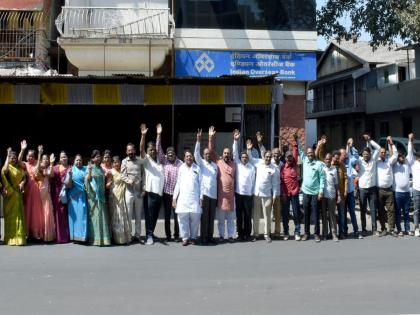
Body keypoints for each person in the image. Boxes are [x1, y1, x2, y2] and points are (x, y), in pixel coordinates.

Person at [247, 139, 280, 243]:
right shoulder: (259, 162)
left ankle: (267, 234)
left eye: (270, 157)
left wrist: (274, 196)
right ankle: (256, 234)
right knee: (256, 215)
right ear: (264, 156)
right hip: (257, 194)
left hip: (267, 195)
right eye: (267, 156)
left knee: (268, 216)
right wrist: (248, 150)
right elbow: (251, 159)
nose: (268, 158)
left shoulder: (274, 168)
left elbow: (275, 184)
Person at [208, 126, 236, 243]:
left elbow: (236, 152)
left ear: (230, 155)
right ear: (222, 154)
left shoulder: (234, 164)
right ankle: (221, 235)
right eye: (224, 153)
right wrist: (210, 137)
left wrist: (235, 140)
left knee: (230, 219)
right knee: (220, 219)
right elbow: (210, 151)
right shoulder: (218, 161)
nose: (226, 155)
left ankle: (230, 236)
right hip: (221, 197)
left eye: (228, 153)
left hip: (231, 197)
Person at [156, 123, 183, 242]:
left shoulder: (180, 163)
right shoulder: (164, 160)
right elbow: (158, 149)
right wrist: (159, 135)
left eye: (172, 153)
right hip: (167, 194)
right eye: (168, 154)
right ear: (166, 155)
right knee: (167, 216)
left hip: (177, 194)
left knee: (177, 215)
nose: (170, 155)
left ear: (175, 154)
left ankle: (177, 235)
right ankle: (168, 235)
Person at [140, 124, 165, 245]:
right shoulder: (147, 160)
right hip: (150, 192)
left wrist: (159, 135)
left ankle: (152, 232)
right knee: (149, 215)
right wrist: (143, 135)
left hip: (159, 193)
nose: (153, 151)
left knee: (155, 215)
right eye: (150, 149)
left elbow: (159, 147)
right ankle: (148, 235)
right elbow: (141, 149)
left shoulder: (160, 160)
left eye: (154, 149)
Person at [351, 134, 380, 236]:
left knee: (373, 209)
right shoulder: (359, 160)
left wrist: (370, 140)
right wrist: (351, 146)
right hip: (362, 189)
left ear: (370, 154)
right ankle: (363, 229)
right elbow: (351, 160)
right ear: (362, 154)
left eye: (367, 154)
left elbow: (379, 148)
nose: (366, 155)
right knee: (363, 209)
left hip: (372, 189)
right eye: (364, 154)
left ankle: (374, 229)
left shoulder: (374, 160)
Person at [172, 150, 202, 246]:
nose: (189, 158)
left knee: (195, 220)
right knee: (182, 220)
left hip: (195, 198)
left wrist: (201, 198)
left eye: (190, 156)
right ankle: (185, 238)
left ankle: (193, 237)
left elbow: (201, 184)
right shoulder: (181, 168)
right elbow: (178, 184)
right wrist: (174, 198)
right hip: (183, 199)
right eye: (187, 156)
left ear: (192, 157)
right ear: (184, 158)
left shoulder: (197, 168)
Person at [298, 136, 325, 242]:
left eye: (311, 153)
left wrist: (321, 191)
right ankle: (306, 233)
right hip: (305, 191)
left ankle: (316, 234)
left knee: (315, 214)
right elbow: (300, 150)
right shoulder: (304, 160)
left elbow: (322, 179)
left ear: (314, 153)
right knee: (306, 214)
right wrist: (297, 140)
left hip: (315, 193)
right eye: (308, 153)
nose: (309, 154)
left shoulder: (318, 164)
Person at [194, 128, 218, 245]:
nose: (208, 155)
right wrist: (198, 140)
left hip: (213, 195)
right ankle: (203, 237)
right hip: (204, 195)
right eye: (206, 154)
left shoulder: (215, 165)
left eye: (209, 154)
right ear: (203, 155)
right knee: (204, 218)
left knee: (211, 217)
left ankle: (210, 237)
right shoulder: (201, 163)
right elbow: (195, 154)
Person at [258, 132, 283, 239]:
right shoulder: (270, 162)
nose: (276, 155)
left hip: (278, 192)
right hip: (269, 192)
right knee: (268, 214)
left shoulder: (282, 164)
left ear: (280, 154)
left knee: (277, 214)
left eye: (278, 153)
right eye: (274, 153)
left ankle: (277, 232)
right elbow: (263, 152)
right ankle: (265, 232)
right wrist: (260, 143)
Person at [232, 129, 255, 242]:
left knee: (247, 215)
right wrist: (235, 141)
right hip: (238, 194)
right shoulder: (237, 164)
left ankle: (247, 234)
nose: (244, 159)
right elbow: (235, 152)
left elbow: (253, 181)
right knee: (239, 216)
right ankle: (240, 234)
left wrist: (253, 193)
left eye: (246, 157)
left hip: (248, 195)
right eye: (243, 157)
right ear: (240, 158)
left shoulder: (251, 167)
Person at [85, 150, 111, 246]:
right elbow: (87, 181)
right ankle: (95, 239)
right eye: (96, 156)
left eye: (99, 156)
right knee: (95, 218)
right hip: (93, 198)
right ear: (92, 159)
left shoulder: (101, 169)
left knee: (102, 218)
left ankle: (104, 239)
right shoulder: (89, 168)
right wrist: (90, 171)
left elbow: (103, 182)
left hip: (101, 197)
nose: (98, 158)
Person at [1, 148, 26, 245]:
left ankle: (19, 239)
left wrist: (22, 183)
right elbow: (4, 170)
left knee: (19, 217)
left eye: (15, 158)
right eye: (11, 158)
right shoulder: (7, 168)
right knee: (10, 217)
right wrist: (7, 155)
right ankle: (10, 239)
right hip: (10, 195)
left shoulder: (19, 168)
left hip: (18, 195)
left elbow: (25, 177)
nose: (13, 159)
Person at [19, 140, 44, 239]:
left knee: (35, 211)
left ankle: (36, 233)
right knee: (27, 210)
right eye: (29, 156)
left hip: (35, 190)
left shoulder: (37, 164)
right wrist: (22, 149)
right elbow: (19, 160)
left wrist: (40, 153)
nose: (30, 157)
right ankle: (27, 233)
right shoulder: (25, 164)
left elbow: (38, 169)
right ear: (27, 157)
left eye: (32, 156)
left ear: (35, 157)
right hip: (27, 190)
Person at [121, 143, 144, 242]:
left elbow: (144, 176)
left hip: (138, 192)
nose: (130, 152)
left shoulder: (140, 161)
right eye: (128, 150)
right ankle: (129, 235)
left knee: (138, 215)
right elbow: (122, 175)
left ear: (134, 150)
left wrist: (144, 190)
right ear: (126, 152)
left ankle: (138, 235)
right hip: (129, 192)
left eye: (132, 150)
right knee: (129, 215)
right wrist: (128, 180)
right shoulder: (124, 161)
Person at [107, 156, 131, 245]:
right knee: (115, 216)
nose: (116, 164)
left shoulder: (122, 171)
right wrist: (109, 183)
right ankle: (115, 238)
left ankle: (122, 238)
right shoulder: (111, 172)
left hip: (122, 195)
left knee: (121, 216)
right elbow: (107, 185)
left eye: (118, 162)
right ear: (112, 164)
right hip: (114, 196)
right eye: (114, 162)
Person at [340, 139, 362, 239]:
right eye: (343, 154)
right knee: (343, 213)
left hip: (350, 191)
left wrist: (352, 146)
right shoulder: (337, 163)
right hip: (341, 193)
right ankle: (344, 231)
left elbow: (357, 158)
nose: (345, 155)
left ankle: (356, 231)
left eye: (346, 154)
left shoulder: (349, 161)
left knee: (352, 212)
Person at [281, 134, 301, 241]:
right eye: (287, 157)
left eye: (290, 157)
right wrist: (283, 193)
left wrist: (295, 141)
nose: (289, 159)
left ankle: (297, 231)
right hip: (285, 194)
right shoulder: (282, 168)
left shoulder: (294, 165)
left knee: (296, 213)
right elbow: (281, 182)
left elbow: (295, 152)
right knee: (285, 214)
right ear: (285, 158)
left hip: (294, 194)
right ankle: (286, 232)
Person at [376, 136, 397, 236]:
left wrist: (391, 144)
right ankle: (383, 229)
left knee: (391, 210)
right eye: (381, 152)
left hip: (389, 190)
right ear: (379, 153)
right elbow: (373, 152)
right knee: (380, 211)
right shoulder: (376, 162)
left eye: (384, 152)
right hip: (379, 190)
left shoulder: (389, 161)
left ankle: (391, 229)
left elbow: (395, 155)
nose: (383, 153)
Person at [35, 147, 56, 242]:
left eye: (47, 159)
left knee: (47, 213)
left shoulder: (48, 167)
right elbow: (36, 171)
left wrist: (51, 163)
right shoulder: (39, 167)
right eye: (44, 159)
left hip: (47, 192)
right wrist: (39, 154)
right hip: (39, 191)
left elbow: (51, 174)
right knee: (40, 214)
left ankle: (47, 235)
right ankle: (39, 234)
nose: (46, 160)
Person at [50, 151, 71, 243]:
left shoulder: (71, 168)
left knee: (67, 214)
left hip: (68, 193)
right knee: (58, 214)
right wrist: (51, 163)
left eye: (65, 156)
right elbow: (50, 175)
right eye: (62, 157)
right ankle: (59, 236)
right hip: (57, 193)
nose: (64, 158)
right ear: (59, 159)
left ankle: (67, 236)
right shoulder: (56, 168)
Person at [68, 154, 88, 242]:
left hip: (82, 196)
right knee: (74, 217)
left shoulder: (86, 169)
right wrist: (69, 176)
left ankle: (83, 236)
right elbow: (68, 185)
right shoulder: (71, 170)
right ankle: (74, 236)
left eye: (80, 160)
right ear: (74, 161)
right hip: (73, 197)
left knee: (82, 216)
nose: (79, 162)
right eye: (77, 160)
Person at [393, 142, 412, 237]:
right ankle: (399, 229)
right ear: (397, 158)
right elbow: (393, 154)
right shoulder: (395, 165)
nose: (401, 158)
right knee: (398, 212)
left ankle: (407, 229)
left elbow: (410, 152)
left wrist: (410, 141)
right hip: (398, 193)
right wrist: (391, 144)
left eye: (402, 156)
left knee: (406, 212)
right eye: (399, 157)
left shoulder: (407, 165)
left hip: (407, 193)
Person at [320, 153, 340, 242]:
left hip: (332, 195)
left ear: (331, 160)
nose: (328, 161)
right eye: (326, 159)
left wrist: (338, 195)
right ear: (324, 160)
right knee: (324, 215)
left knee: (332, 215)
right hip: (323, 195)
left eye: (329, 159)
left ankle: (334, 234)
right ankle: (324, 234)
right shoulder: (321, 169)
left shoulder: (334, 170)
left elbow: (336, 184)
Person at [332, 150, 348, 239]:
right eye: (336, 158)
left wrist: (345, 191)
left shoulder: (342, 166)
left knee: (342, 214)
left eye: (338, 158)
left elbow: (345, 179)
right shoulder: (330, 165)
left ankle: (341, 233)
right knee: (332, 214)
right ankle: (333, 232)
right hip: (331, 194)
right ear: (333, 157)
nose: (337, 160)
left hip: (341, 193)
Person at [406, 133, 420, 236]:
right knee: (416, 210)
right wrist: (410, 140)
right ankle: (416, 228)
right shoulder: (413, 163)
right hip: (416, 189)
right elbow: (410, 152)